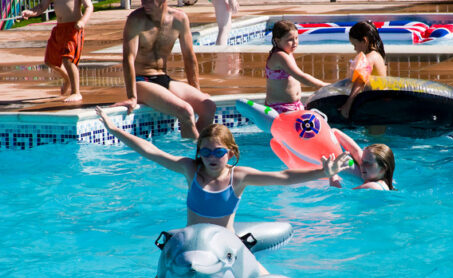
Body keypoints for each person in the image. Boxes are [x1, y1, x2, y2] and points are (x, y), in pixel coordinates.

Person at [96, 105, 351, 232]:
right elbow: (151, 152)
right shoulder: (190, 169)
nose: (211, 157)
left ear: (230, 153)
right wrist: (114, 130)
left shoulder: (238, 177)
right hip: (193, 244)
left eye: (218, 152)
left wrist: (322, 172)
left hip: (225, 247)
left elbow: (283, 177)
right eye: (205, 152)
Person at [111, 0, 216, 140]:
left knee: (209, 106)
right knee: (186, 111)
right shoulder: (136, 19)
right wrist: (132, 96)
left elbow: (189, 57)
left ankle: (198, 149)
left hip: (163, 78)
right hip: (142, 80)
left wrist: (196, 88)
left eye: (149, 0)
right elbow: (128, 59)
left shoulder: (179, 19)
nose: (144, 3)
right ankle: (195, 156)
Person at [22, 0, 93, 102]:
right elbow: (42, 7)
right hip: (59, 28)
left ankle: (76, 92)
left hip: (73, 28)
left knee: (68, 60)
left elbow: (89, 7)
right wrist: (30, 12)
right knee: (50, 61)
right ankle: (67, 79)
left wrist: (82, 21)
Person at [265, 20, 329, 114]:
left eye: (296, 38)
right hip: (280, 108)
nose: (295, 42)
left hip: (294, 106)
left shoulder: (287, 53)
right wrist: (324, 86)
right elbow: (301, 77)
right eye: (290, 40)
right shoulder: (279, 56)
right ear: (277, 40)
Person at [339, 20, 387, 120]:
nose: (354, 49)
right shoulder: (377, 55)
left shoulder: (369, 58)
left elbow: (359, 82)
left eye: (355, 45)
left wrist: (347, 106)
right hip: (379, 103)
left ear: (364, 41)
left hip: (375, 105)